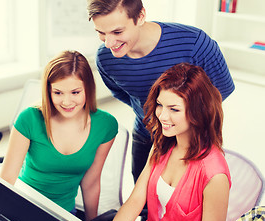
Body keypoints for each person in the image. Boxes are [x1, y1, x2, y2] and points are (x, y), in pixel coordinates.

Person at [86, 0, 235, 189]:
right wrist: (150, 113)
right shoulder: (106, 58)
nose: (109, 43)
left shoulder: (195, 43)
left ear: (140, 17)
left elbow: (220, 91)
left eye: (117, 32)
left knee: (188, 206)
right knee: (146, 203)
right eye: (101, 33)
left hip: (193, 139)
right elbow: (122, 94)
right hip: (146, 135)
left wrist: (180, 124)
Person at [101, 63, 231, 221]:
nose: (162, 116)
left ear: (198, 112)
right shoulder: (161, 146)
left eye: (174, 109)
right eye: (160, 105)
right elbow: (135, 201)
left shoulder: (215, 175)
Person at [0, 50, 118, 221]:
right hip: (24, 205)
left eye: (75, 92)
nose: (67, 102)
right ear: (48, 91)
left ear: (88, 89)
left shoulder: (105, 125)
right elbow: (7, 179)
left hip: (64, 215)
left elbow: (91, 182)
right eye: (58, 93)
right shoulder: (29, 118)